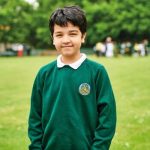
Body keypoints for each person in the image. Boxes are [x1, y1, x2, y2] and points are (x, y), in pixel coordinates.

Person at [28, 5, 116, 150]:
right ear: (53, 39)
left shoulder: (97, 72)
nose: (66, 40)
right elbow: (35, 117)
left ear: (83, 36)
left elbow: (107, 117)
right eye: (59, 35)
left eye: (73, 33)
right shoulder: (44, 73)